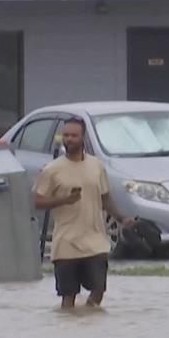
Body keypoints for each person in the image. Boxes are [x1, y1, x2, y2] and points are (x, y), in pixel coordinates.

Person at [34, 118, 133, 309]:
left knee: (98, 290)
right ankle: (70, 330)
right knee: (68, 299)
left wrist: (122, 218)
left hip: (95, 241)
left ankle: (88, 320)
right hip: (66, 244)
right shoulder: (52, 170)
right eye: (66, 135)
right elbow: (38, 201)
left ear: (83, 138)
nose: (69, 139)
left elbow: (105, 197)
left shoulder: (96, 166)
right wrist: (64, 200)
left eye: (74, 135)